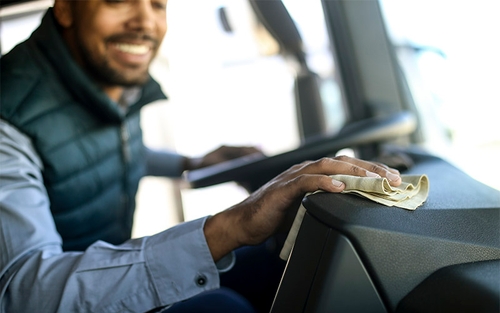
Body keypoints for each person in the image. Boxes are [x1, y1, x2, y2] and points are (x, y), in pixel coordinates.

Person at [0, 0, 402, 312]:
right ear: (66, 7)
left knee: (285, 268)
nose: (145, 22)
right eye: (118, 1)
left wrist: (188, 164)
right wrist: (229, 226)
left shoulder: (95, 76)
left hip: (104, 275)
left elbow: (101, 151)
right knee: (221, 309)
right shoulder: (9, 112)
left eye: (158, 5)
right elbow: (23, 294)